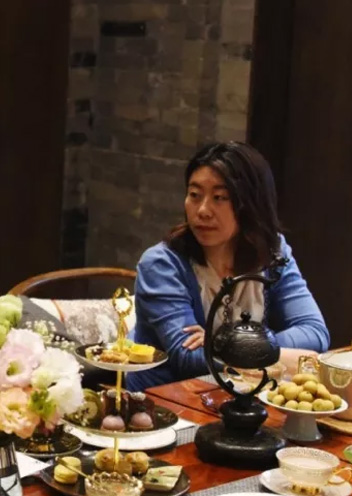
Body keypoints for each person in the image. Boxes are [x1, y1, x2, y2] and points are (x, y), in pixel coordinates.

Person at [127, 141, 329, 391]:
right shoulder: (161, 264)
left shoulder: (272, 254)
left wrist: (224, 345)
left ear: (250, 203)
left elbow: (315, 333)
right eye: (194, 195)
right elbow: (188, 358)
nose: (203, 210)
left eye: (219, 198)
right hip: (166, 403)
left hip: (242, 397)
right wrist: (277, 355)